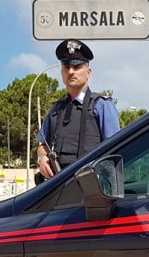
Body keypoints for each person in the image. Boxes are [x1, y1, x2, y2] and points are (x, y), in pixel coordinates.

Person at [35, 39, 120, 182]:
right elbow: (42, 145)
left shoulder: (101, 105)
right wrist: (42, 158)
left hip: (92, 187)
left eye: (77, 66)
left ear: (88, 72)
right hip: (56, 187)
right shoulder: (56, 109)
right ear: (62, 72)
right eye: (66, 67)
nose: (71, 71)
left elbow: (115, 149)